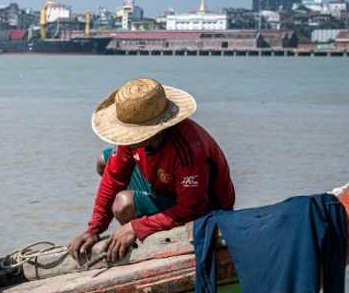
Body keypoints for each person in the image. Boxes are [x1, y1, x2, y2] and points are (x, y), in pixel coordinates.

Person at [67, 77, 235, 263]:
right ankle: (143, 228)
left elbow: (191, 209)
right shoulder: (130, 142)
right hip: (164, 185)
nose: (127, 139)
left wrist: (136, 227)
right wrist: (94, 229)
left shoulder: (188, 150)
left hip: (203, 207)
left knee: (124, 204)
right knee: (104, 161)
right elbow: (113, 178)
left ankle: (147, 241)